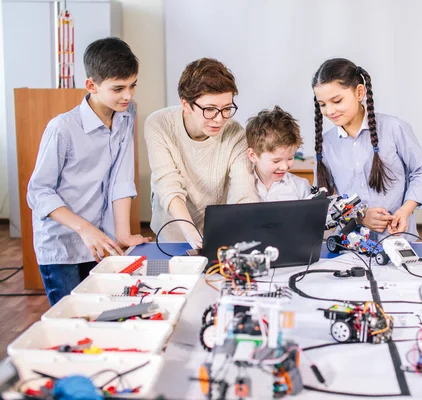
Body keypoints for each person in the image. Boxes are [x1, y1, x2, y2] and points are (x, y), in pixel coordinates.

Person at [27, 37, 148, 305]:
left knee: (101, 313)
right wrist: (84, 229)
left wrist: (123, 232)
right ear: (91, 85)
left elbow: (121, 177)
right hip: (62, 245)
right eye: (118, 88)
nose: (127, 95)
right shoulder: (62, 128)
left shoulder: (127, 114)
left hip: (100, 241)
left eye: (132, 86)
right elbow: (38, 192)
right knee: (73, 317)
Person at [312, 58, 422, 238]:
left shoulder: (393, 128)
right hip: (350, 247)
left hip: (398, 240)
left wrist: (405, 210)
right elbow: (323, 200)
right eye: (322, 104)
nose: (329, 111)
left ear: (359, 92)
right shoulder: (326, 144)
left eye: (336, 101)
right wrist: (359, 217)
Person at [145, 58, 258, 248]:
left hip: (215, 234)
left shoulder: (235, 134)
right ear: (186, 104)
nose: (219, 119)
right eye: (210, 109)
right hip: (173, 234)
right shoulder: (159, 124)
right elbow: (167, 184)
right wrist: (190, 231)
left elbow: (243, 191)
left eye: (227, 109)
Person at [246, 106, 311, 201]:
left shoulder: (301, 187)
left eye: (290, 158)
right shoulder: (240, 188)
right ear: (252, 155)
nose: (284, 167)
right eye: (276, 161)